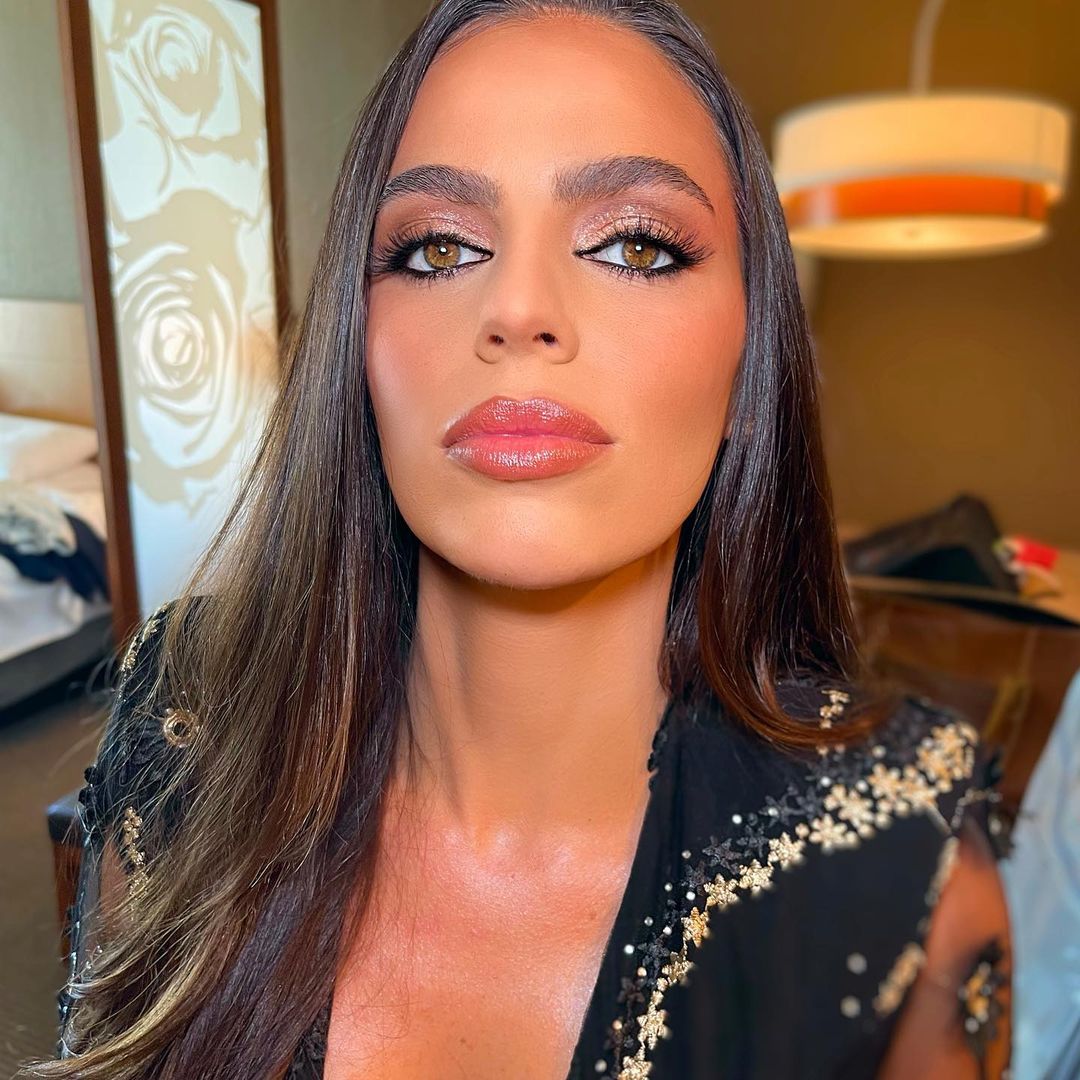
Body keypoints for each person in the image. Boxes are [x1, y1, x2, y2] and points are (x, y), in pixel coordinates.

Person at [25, 0, 1012, 1077]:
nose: (519, 307)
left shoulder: (902, 870)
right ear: (359, 346)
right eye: (440, 248)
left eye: (635, 245)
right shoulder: (187, 719)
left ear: (749, 361)